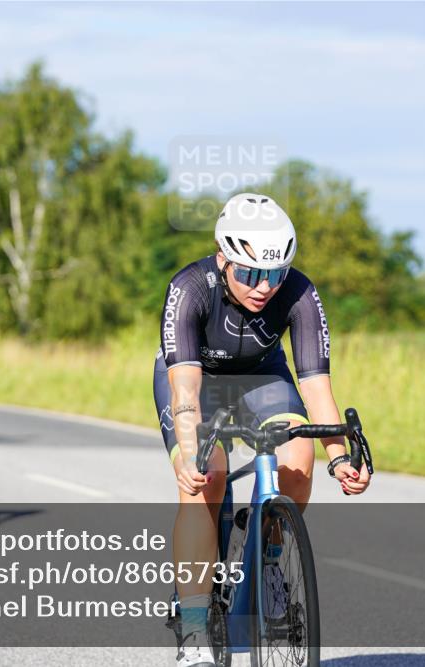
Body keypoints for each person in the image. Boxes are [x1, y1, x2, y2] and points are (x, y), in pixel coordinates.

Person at [154, 193, 370, 666]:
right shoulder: (190, 287)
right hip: (198, 381)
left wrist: (339, 457)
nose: (264, 287)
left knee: (298, 458)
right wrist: (190, 449)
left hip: (263, 379)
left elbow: (316, 391)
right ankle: (193, 635)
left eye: (275, 274)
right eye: (250, 273)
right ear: (222, 256)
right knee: (205, 479)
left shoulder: (300, 292)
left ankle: (272, 560)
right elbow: (185, 391)